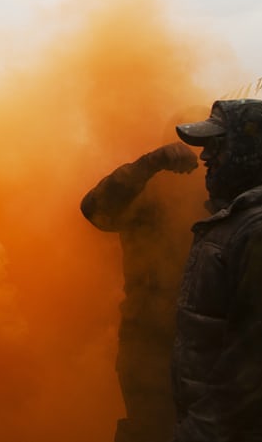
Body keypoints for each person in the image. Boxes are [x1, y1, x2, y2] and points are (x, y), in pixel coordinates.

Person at [171, 98, 262, 441]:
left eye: (218, 145)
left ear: (254, 152)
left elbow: (254, 358)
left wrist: (199, 431)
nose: (205, 157)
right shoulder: (242, 220)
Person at [80, 139, 205, 442]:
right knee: (149, 429)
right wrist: (149, 163)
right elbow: (95, 209)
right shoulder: (146, 195)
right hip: (149, 343)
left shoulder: (227, 197)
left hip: (206, 348)